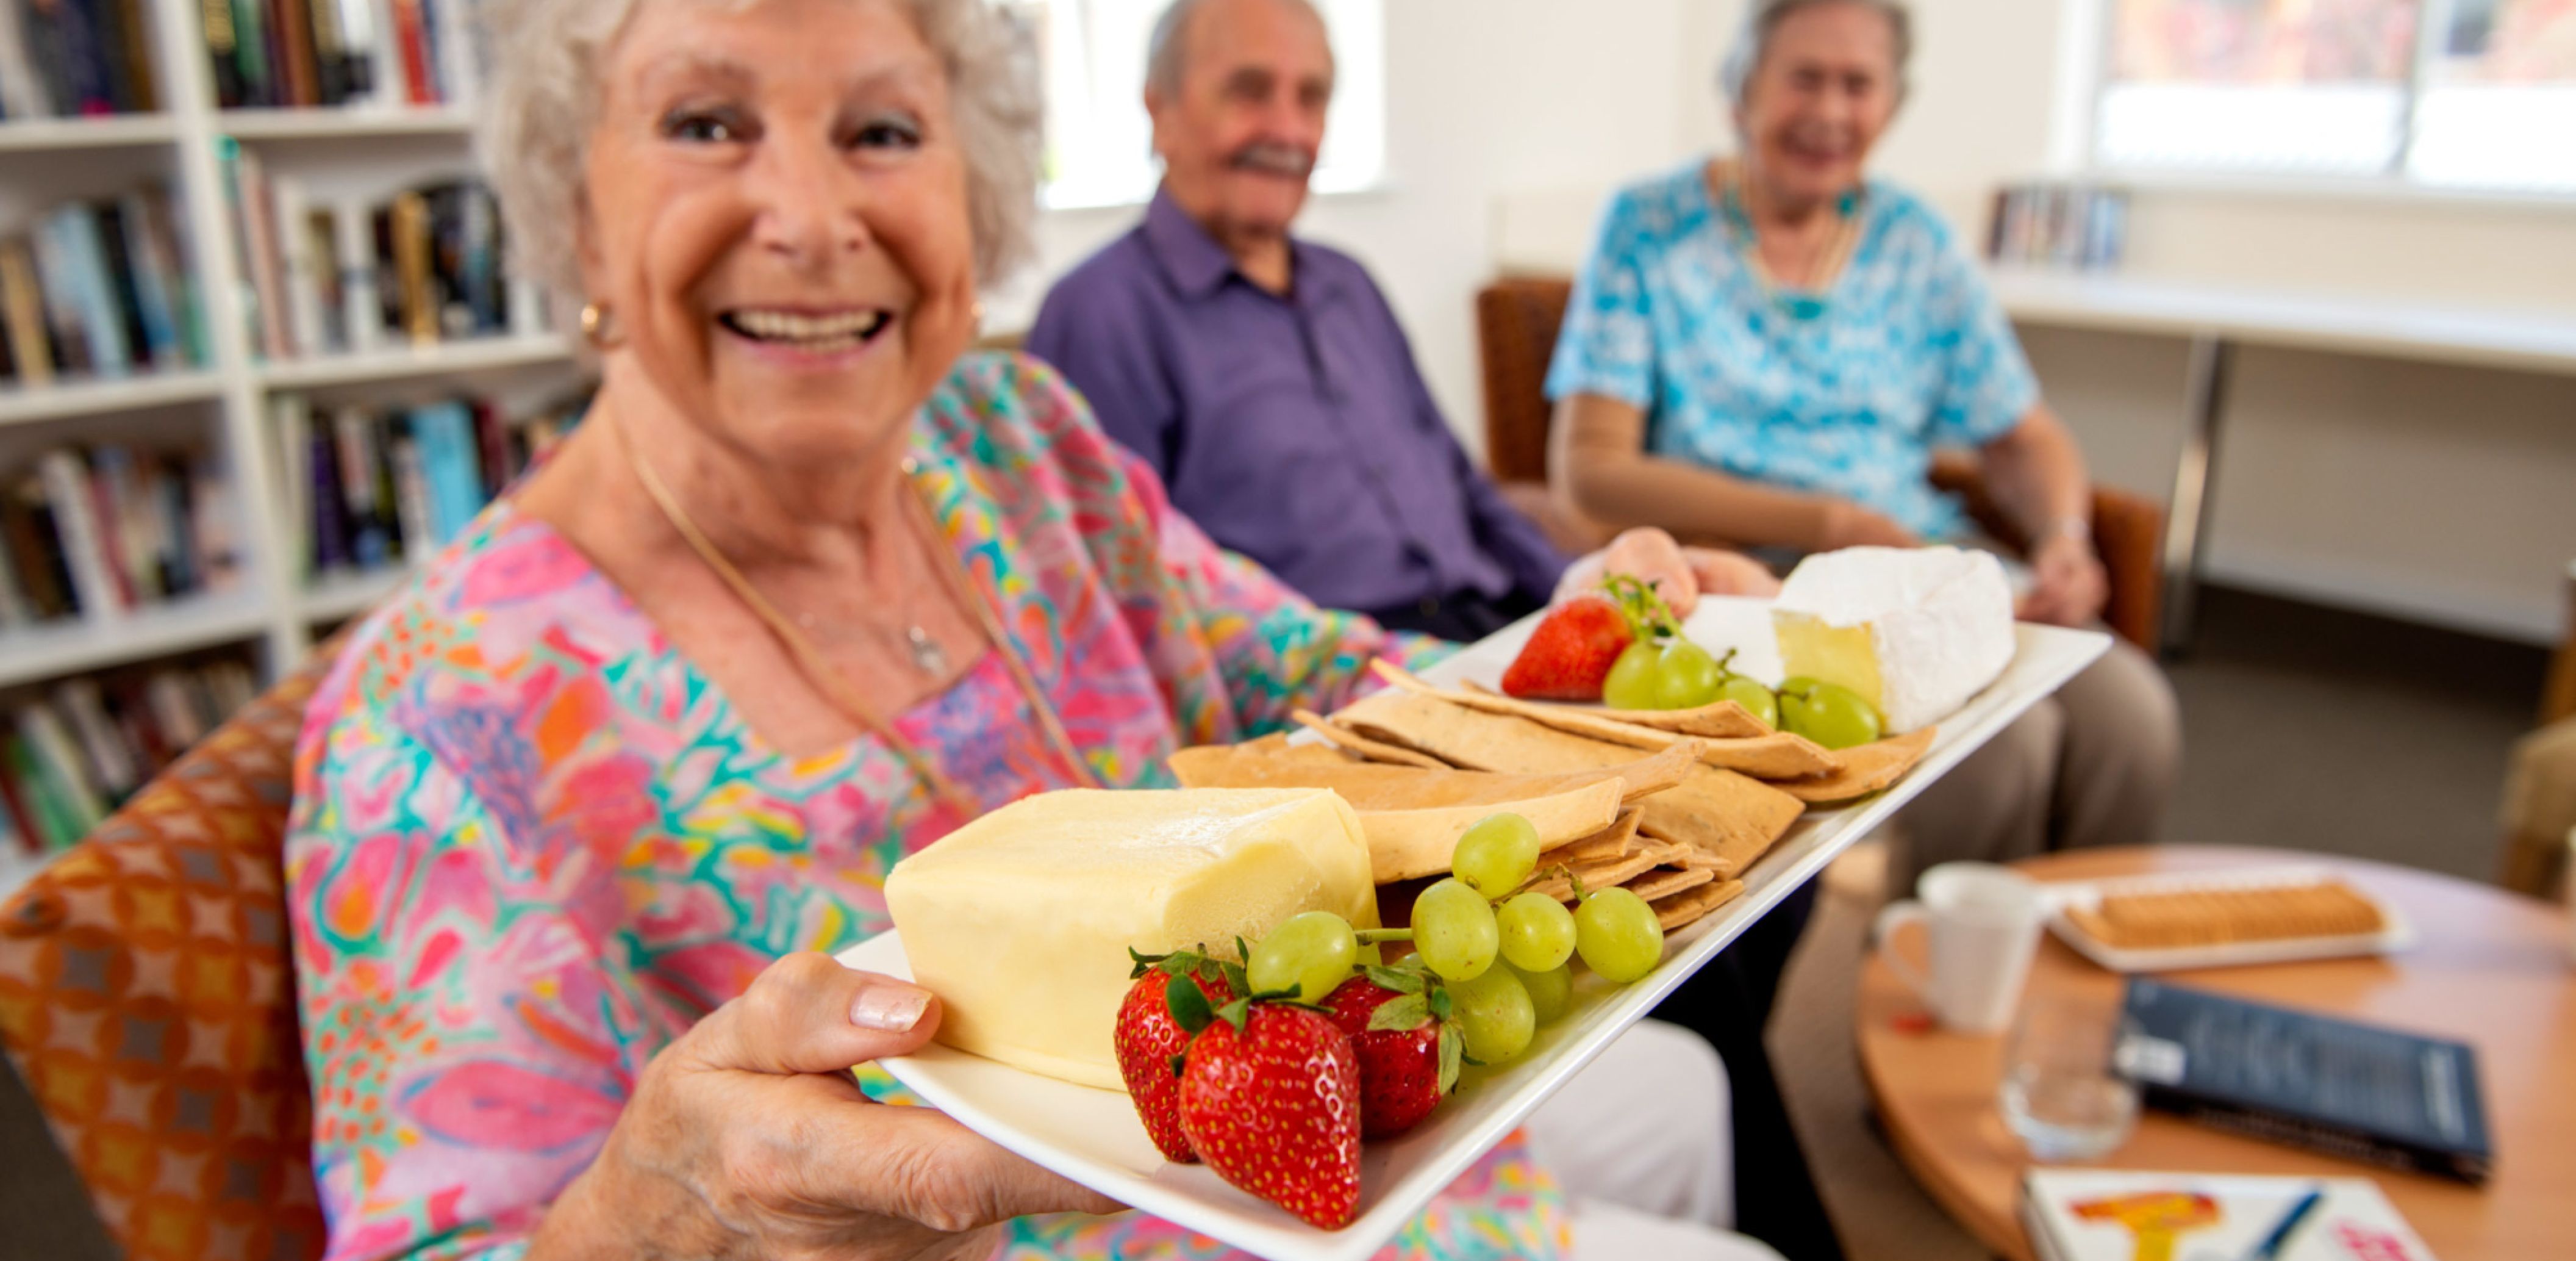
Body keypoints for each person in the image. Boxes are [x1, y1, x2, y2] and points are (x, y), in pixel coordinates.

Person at [282, 0, 1783, 1259]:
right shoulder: (430, 720)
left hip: (1349, 1165)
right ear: (569, 207)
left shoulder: (1016, 437)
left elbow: (1316, 673)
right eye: (704, 123)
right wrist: (649, 1211)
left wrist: (1557, 658)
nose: (812, 222)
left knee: (1689, 1096)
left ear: (970, 193)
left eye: (881, 131)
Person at [1547, 0, 2183, 889]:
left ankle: (2056, 962)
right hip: (1754, 581)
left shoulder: (1914, 242)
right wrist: (1826, 518)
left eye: (1860, 84)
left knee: (2134, 717)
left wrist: (2064, 535)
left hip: (1914, 565)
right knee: (2009, 750)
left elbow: (2023, 433)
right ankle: (1935, 990)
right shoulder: (1649, 227)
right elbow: (1591, 473)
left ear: (1890, 104)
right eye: (1805, 77)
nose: (1832, 111)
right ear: (1741, 90)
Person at [1025, 0, 1767, 641]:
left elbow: (1466, 489)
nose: (1286, 129)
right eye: (1249, 91)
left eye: (1311, 98)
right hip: (1334, 689)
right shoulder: (1100, 313)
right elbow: (1128, 600)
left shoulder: (1349, 285)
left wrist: (1578, 591)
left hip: (1495, 629)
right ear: (1161, 110)